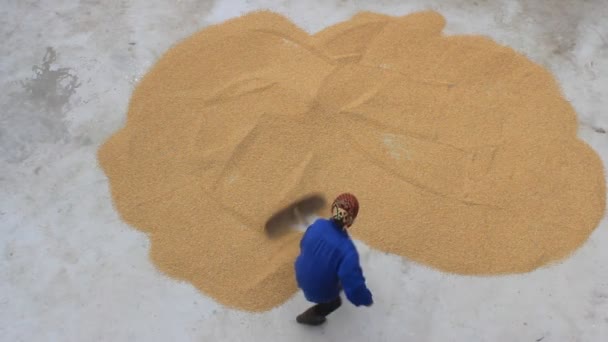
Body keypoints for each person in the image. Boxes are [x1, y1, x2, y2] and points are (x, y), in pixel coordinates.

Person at [294, 193, 373, 326]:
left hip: (300, 273)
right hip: (318, 291)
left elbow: (303, 244)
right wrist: (365, 299)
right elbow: (354, 286)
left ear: (333, 209)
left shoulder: (318, 225)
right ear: (350, 221)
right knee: (335, 302)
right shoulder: (348, 251)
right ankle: (309, 317)